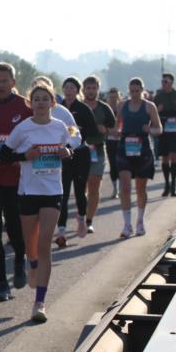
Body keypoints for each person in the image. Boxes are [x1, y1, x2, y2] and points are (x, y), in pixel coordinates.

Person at [0, 80, 73, 323]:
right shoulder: (23, 128)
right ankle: (32, 263)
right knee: (29, 242)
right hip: (28, 192)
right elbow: (4, 155)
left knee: (45, 244)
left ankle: (40, 302)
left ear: (53, 102)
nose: (41, 103)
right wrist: (25, 156)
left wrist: (67, 151)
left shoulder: (61, 126)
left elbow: (72, 142)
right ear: (31, 104)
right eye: (37, 99)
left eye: (46, 99)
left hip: (52, 191)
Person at [0, 62, 30, 301]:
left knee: (14, 227)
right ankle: (2, 283)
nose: (0, 85)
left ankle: (20, 260)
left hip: (15, 178)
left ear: (13, 82)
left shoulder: (24, 106)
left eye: (4, 81)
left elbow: (37, 133)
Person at [55, 77, 99, 246]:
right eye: (66, 87)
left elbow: (93, 131)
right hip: (63, 156)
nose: (68, 90)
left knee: (80, 191)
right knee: (63, 193)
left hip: (80, 154)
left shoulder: (83, 108)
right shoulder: (58, 109)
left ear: (77, 90)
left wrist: (78, 132)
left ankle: (82, 218)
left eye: (72, 87)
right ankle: (61, 230)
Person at [116, 77, 163, 237]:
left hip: (142, 147)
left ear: (142, 90)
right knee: (125, 187)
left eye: (137, 91)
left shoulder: (149, 107)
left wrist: (150, 130)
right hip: (125, 147)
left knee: (140, 188)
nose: (135, 94)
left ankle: (140, 221)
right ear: (128, 90)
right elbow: (117, 127)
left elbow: (159, 129)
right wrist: (115, 132)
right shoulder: (122, 105)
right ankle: (127, 225)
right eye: (132, 91)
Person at [81, 75, 116, 233]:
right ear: (83, 89)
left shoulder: (104, 108)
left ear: (98, 89)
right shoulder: (78, 107)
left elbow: (113, 127)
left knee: (94, 185)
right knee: (81, 187)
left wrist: (106, 129)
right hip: (80, 151)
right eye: (88, 88)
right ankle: (81, 216)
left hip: (98, 150)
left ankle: (89, 220)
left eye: (94, 88)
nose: (91, 91)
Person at [153, 73, 176, 198]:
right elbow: (152, 112)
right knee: (165, 158)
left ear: (172, 83)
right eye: (162, 81)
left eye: (166, 81)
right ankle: (166, 184)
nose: (164, 83)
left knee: (173, 156)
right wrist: (158, 109)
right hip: (163, 126)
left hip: (175, 127)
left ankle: (173, 185)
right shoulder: (158, 96)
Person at [105, 87, 123, 198]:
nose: (113, 98)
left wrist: (121, 131)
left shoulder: (122, 106)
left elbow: (125, 120)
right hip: (110, 139)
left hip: (121, 138)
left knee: (121, 164)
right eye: (111, 96)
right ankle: (115, 189)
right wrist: (109, 130)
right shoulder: (106, 107)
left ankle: (121, 188)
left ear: (118, 96)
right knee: (112, 164)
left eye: (115, 96)